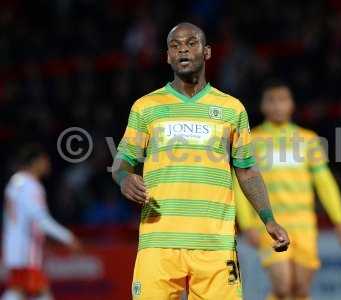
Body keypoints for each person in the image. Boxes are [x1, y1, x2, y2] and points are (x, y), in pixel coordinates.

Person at [111, 23, 290, 300]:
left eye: (191, 42)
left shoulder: (232, 109)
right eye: (175, 45)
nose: (183, 48)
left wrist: (268, 219)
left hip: (214, 244)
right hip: (159, 243)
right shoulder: (146, 107)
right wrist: (124, 178)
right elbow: (122, 161)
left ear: (207, 52)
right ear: (168, 57)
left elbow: (247, 171)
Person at [235, 80, 341, 300]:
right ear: (263, 106)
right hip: (272, 224)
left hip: (305, 224)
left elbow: (324, 182)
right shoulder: (253, 141)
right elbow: (242, 181)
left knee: (300, 289)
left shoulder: (308, 139)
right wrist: (247, 222)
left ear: (291, 104)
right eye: (272, 100)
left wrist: (340, 220)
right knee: (283, 287)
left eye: (283, 100)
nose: (278, 106)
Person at [1, 144, 81, 300]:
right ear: (35, 162)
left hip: (14, 249)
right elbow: (40, 219)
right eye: (45, 160)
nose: (48, 164)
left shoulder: (14, 182)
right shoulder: (31, 185)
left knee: (20, 290)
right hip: (27, 251)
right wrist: (67, 237)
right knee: (38, 292)